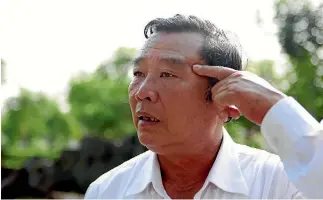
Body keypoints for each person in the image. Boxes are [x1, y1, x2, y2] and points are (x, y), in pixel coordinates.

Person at [84, 14, 323, 199]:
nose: (142, 92)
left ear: (226, 101)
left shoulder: (279, 185)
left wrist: (274, 106)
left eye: (167, 74)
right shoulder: (107, 191)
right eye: (138, 73)